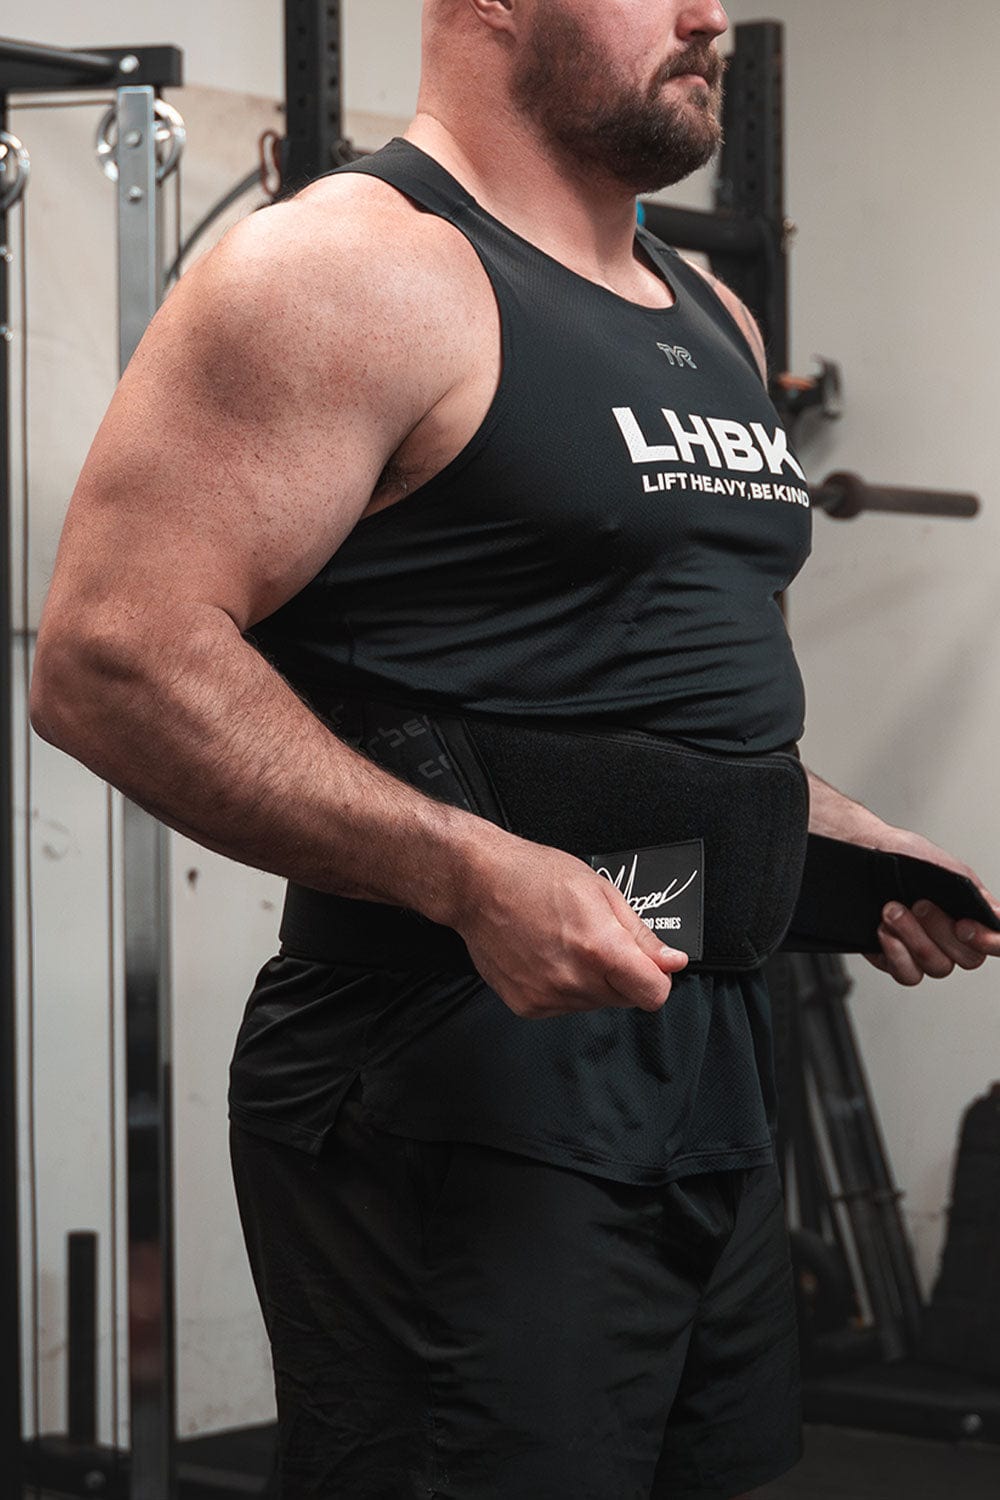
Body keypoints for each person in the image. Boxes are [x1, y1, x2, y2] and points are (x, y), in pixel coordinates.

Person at [30, 1, 999, 1496]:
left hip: (706, 1055)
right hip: (454, 1066)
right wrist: (469, 873)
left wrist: (831, 838)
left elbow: (652, 703)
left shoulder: (714, 315)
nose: (709, 15)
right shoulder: (348, 267)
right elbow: (108, 657)